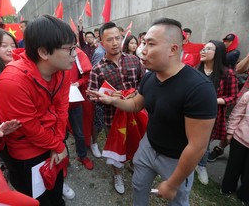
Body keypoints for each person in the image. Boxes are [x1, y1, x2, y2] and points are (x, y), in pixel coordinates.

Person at [87, 17, 217, 205]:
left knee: (179, 200)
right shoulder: (150, 78)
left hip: (175, 158)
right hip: (147, 147)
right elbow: (135, 105)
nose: (142, 50)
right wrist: (111, 100)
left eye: (150, 44)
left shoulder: (199, 89)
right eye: (143, 43)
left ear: (173, 49)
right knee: (139, 186)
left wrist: (172, 184)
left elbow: (197, 146)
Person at [0, 15, 76, 205]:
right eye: (69, 49)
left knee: (56, 189)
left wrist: (58, 143)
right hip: (27, 150)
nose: (75, 54)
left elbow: (62, 107)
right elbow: (29, 127)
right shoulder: (12, 81)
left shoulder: (62, 70)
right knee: (37, 198)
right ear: (44, 52)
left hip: (53, 139)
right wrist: (58, 146)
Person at [88, 22, 144, 194]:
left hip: (136, 114)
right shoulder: (97, 69)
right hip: (111, 118)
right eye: (109, 39)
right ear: (101, 42)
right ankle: (117, 174)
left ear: (122, 38)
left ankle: (135, 165)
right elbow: (93, 97)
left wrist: (134, 94)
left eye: (117, 38)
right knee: (116, 148)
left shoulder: (135, 60)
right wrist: (103, 99)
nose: (114, 43)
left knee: (138, 142)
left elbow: (144, 85)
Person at [195, 40, 238, 185]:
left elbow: (233, 97)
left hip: (211, 115)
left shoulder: (228, 74)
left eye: (208, 49)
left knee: (205, 143)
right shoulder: (196, 70)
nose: (203, 50)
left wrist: (215, 100)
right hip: (191, 112)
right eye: (203, 48)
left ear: (218, 53)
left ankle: (201, 166)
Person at [221, 91, 249, 206]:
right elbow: (237, 112)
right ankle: (227, 187)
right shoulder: (248, 95)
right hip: (240, 138)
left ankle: (244, 194)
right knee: (233, 165)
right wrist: (230, 131)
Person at [68, 47, 94, 170]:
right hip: (57, 105)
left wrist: (78, 83)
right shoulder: (51, 56)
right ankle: (63, 162)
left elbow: (87, 75)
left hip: (74, 102)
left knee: (79, 132)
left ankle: (82, 155)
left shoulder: (78, 55)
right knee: (60, 135)